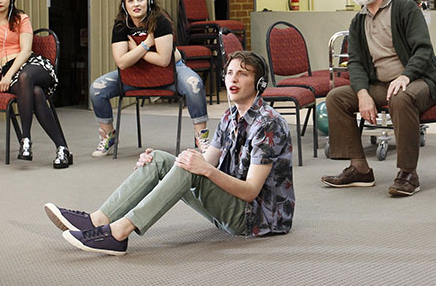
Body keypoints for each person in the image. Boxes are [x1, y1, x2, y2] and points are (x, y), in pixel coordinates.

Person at [44, 51, 294, 255]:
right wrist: (165, 165)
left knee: (191, 168)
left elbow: (250, 191)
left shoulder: (268, 124)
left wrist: (203, 169)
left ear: (259, 84)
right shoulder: (230, 117)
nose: (233, 79)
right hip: (230, 206)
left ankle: (119, 233)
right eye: (229, 73)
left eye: (242, 74)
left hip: (255, 219)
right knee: (160, 159)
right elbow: (206, 162)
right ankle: (98, 219)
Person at [321, 0, 436, 197]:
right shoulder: (358, 21)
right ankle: (359, 168)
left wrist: (406, 76)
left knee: (401, 97)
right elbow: (355, 62)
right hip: (381, 84)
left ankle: (408, 173)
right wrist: (362, 94)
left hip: (419, 80)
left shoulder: (405, 9)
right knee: (336, 97)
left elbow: (423, 50)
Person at [87, 0, 210, 157]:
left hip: (171, 72)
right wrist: (146, 44)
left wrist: (135, 50)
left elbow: (163, 60)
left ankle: (201, 137)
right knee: (97, 89)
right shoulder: (121, 25)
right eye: (130, 0)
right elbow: (122, 63)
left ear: (149, 2)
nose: (136, 4)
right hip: (134, 74)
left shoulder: (161, 22)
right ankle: (109, 136)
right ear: (124, 5)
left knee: (194, 85)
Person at [0, 0, 71, 168]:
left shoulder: (21, 18)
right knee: (36, 93)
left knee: (26, 77)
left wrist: (9, 75)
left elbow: (26, 51)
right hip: (8, 71)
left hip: (33, 65)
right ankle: (62, 149)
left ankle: (25, 140)